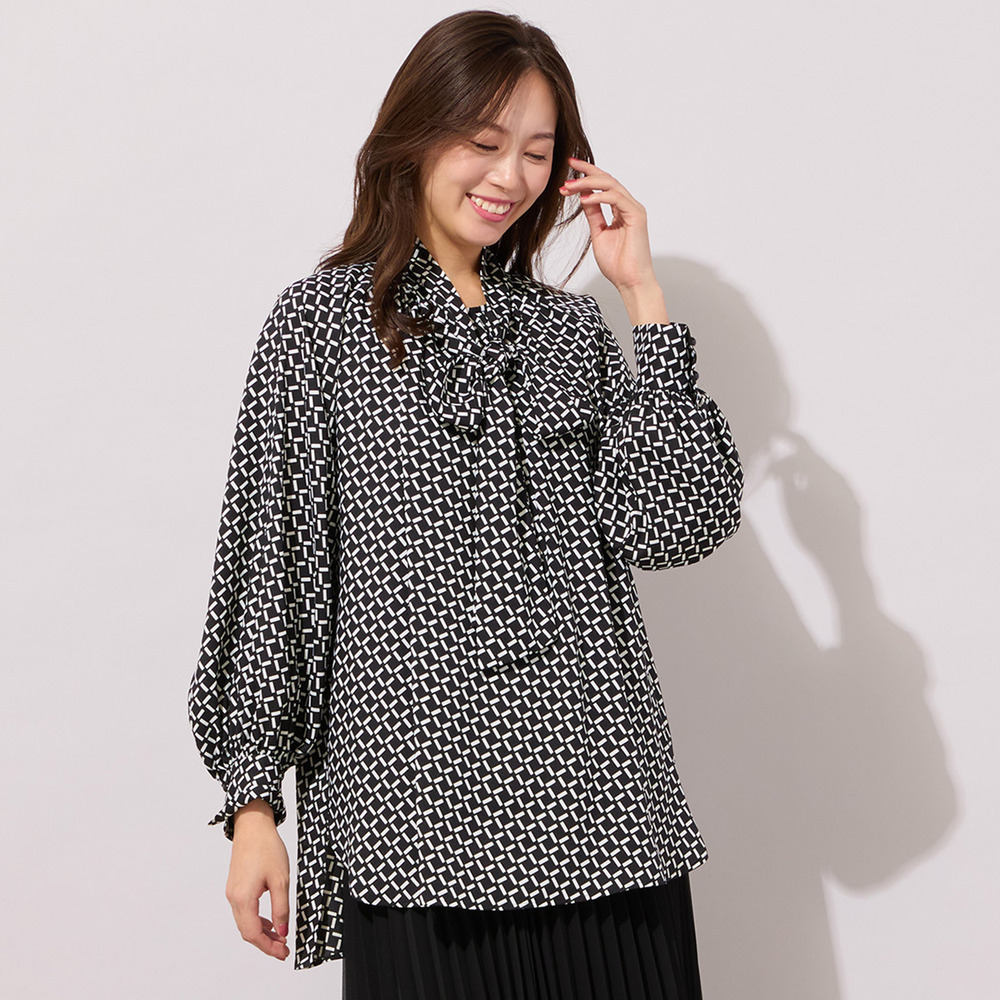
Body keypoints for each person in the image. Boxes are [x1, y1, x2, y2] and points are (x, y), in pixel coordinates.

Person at [187, 10, 744, 998]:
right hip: (415, 824)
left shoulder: (571, 332)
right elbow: (273, 573)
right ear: (415, 134)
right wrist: (252, 806)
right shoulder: (320, 325)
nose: (509, 176)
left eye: (537, 151)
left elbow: (672, 525)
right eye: (484, 142)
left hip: (605, 808)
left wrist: (644, 299)